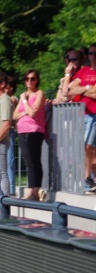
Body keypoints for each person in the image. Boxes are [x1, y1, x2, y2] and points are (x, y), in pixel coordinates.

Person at [12, 70, 46, 200]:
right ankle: (31, 190)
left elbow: (33, 113)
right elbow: (14, 115)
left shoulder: (39, 94)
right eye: (27, 79)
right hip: (22, 131)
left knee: (34, 160)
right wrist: (25, 112)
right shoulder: (23, 95)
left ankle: (34, 191)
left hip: (34, 130)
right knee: (28, 161)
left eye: (32, 78)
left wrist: (25, 102)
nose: (29, 81)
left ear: (37, 80)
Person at [68, 44, 96, 192]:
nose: (93, 56)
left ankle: (87, 177)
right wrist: (88, 88)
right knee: (85, 147)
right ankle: (91, 178)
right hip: (81, 113)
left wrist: (83, 89)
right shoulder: (83, 71)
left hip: (94, 114)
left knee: (87, 145)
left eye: (95, 53)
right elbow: (71, 90)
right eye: (91, 53)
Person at [6, 75, 18, 196]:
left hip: (9, 130)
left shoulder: (12, 99)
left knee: (9, 160)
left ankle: (11, 189)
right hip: (4, 131)